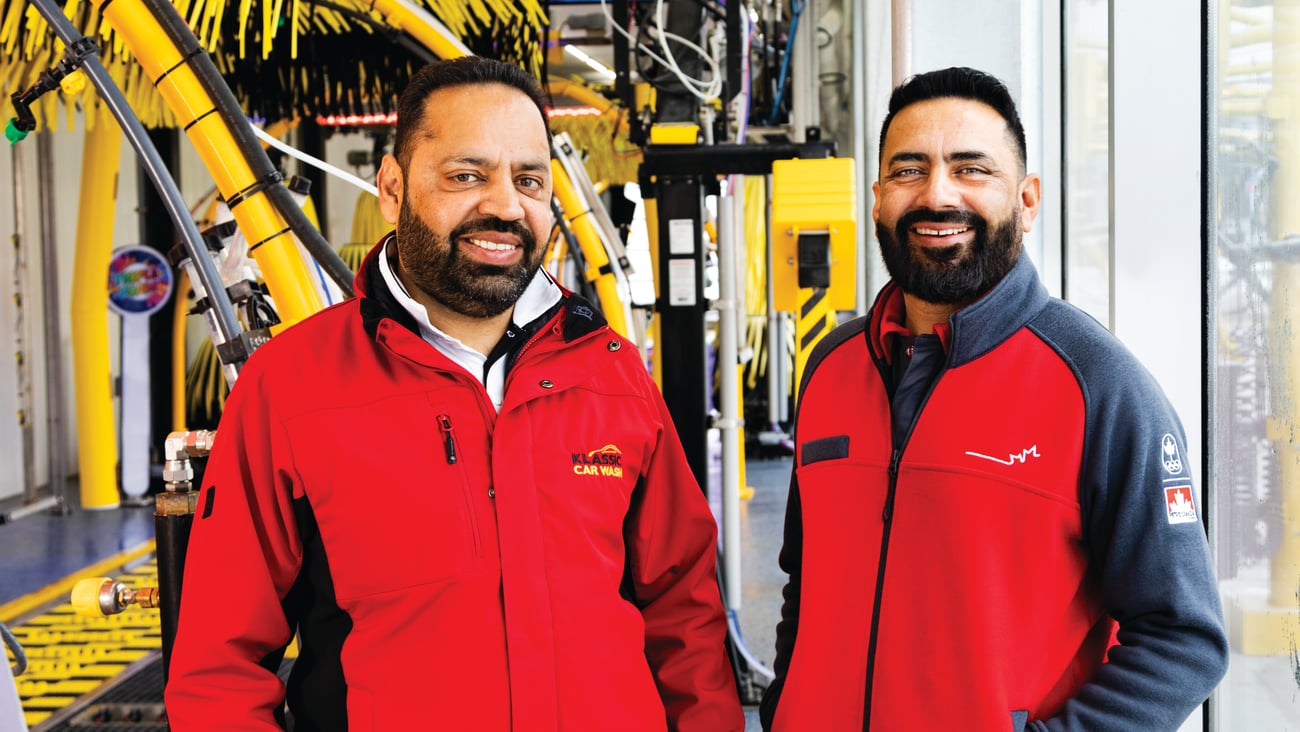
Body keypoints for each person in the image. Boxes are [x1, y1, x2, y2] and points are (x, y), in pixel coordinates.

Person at [165, 56, 744, 731]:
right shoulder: (291, 387)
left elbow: (684, 616)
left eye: (528, 180)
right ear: (392, 188)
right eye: (467, 176)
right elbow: (218, 667)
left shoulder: (611, 374)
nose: (505, 205)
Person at [759, 66, 1228, 732]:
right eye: (908, 171)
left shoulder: (1099, 385)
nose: (936, 194)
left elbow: (1183, 635)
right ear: (878, 200)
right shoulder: (830, 368)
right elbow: (805, 583)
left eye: (971, 169)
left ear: (1027, 201)